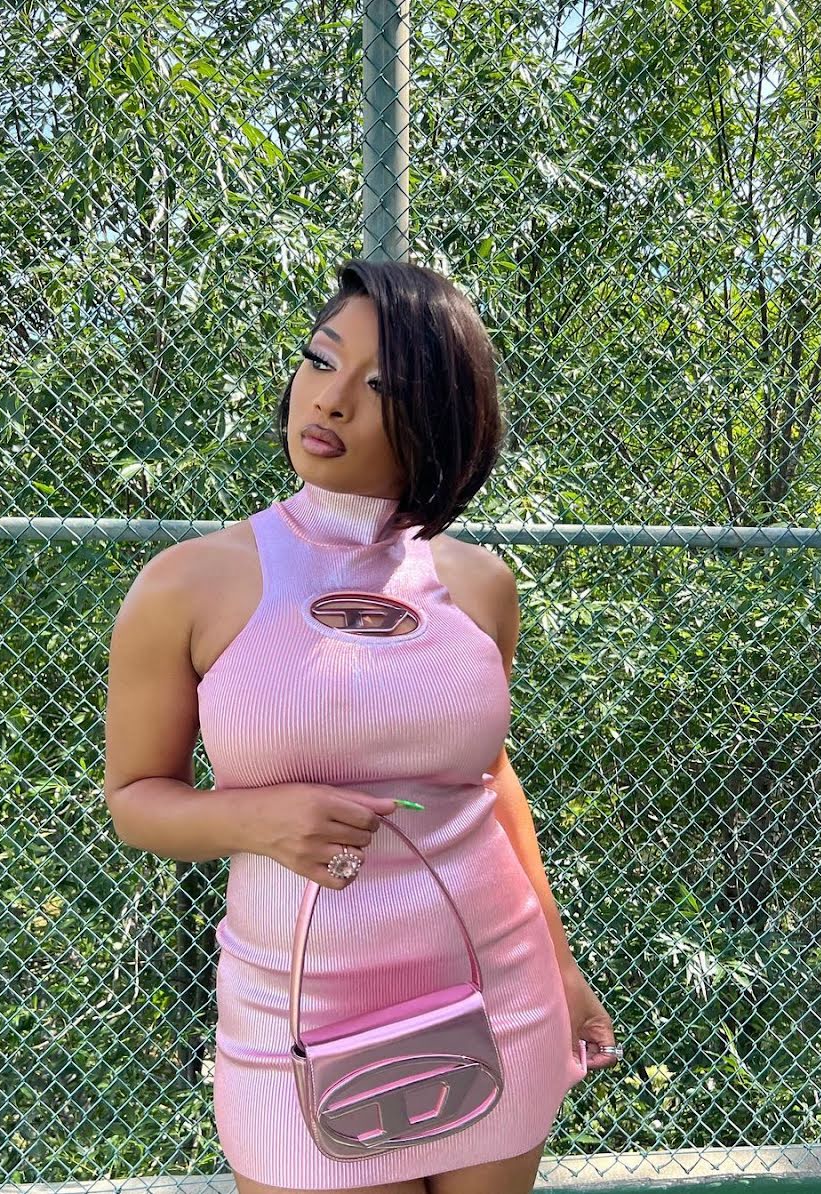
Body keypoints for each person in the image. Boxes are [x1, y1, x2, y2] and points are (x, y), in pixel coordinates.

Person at [103, 258, 621, 1194]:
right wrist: (254, 819)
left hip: (497, 997)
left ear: (439, 412)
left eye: (380, 386)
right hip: (298, 1023)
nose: (331, 398)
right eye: (320, 360)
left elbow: (488, 781)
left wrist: (561, 965)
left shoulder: (480, 585)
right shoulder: (187, 584)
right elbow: (136, 800)